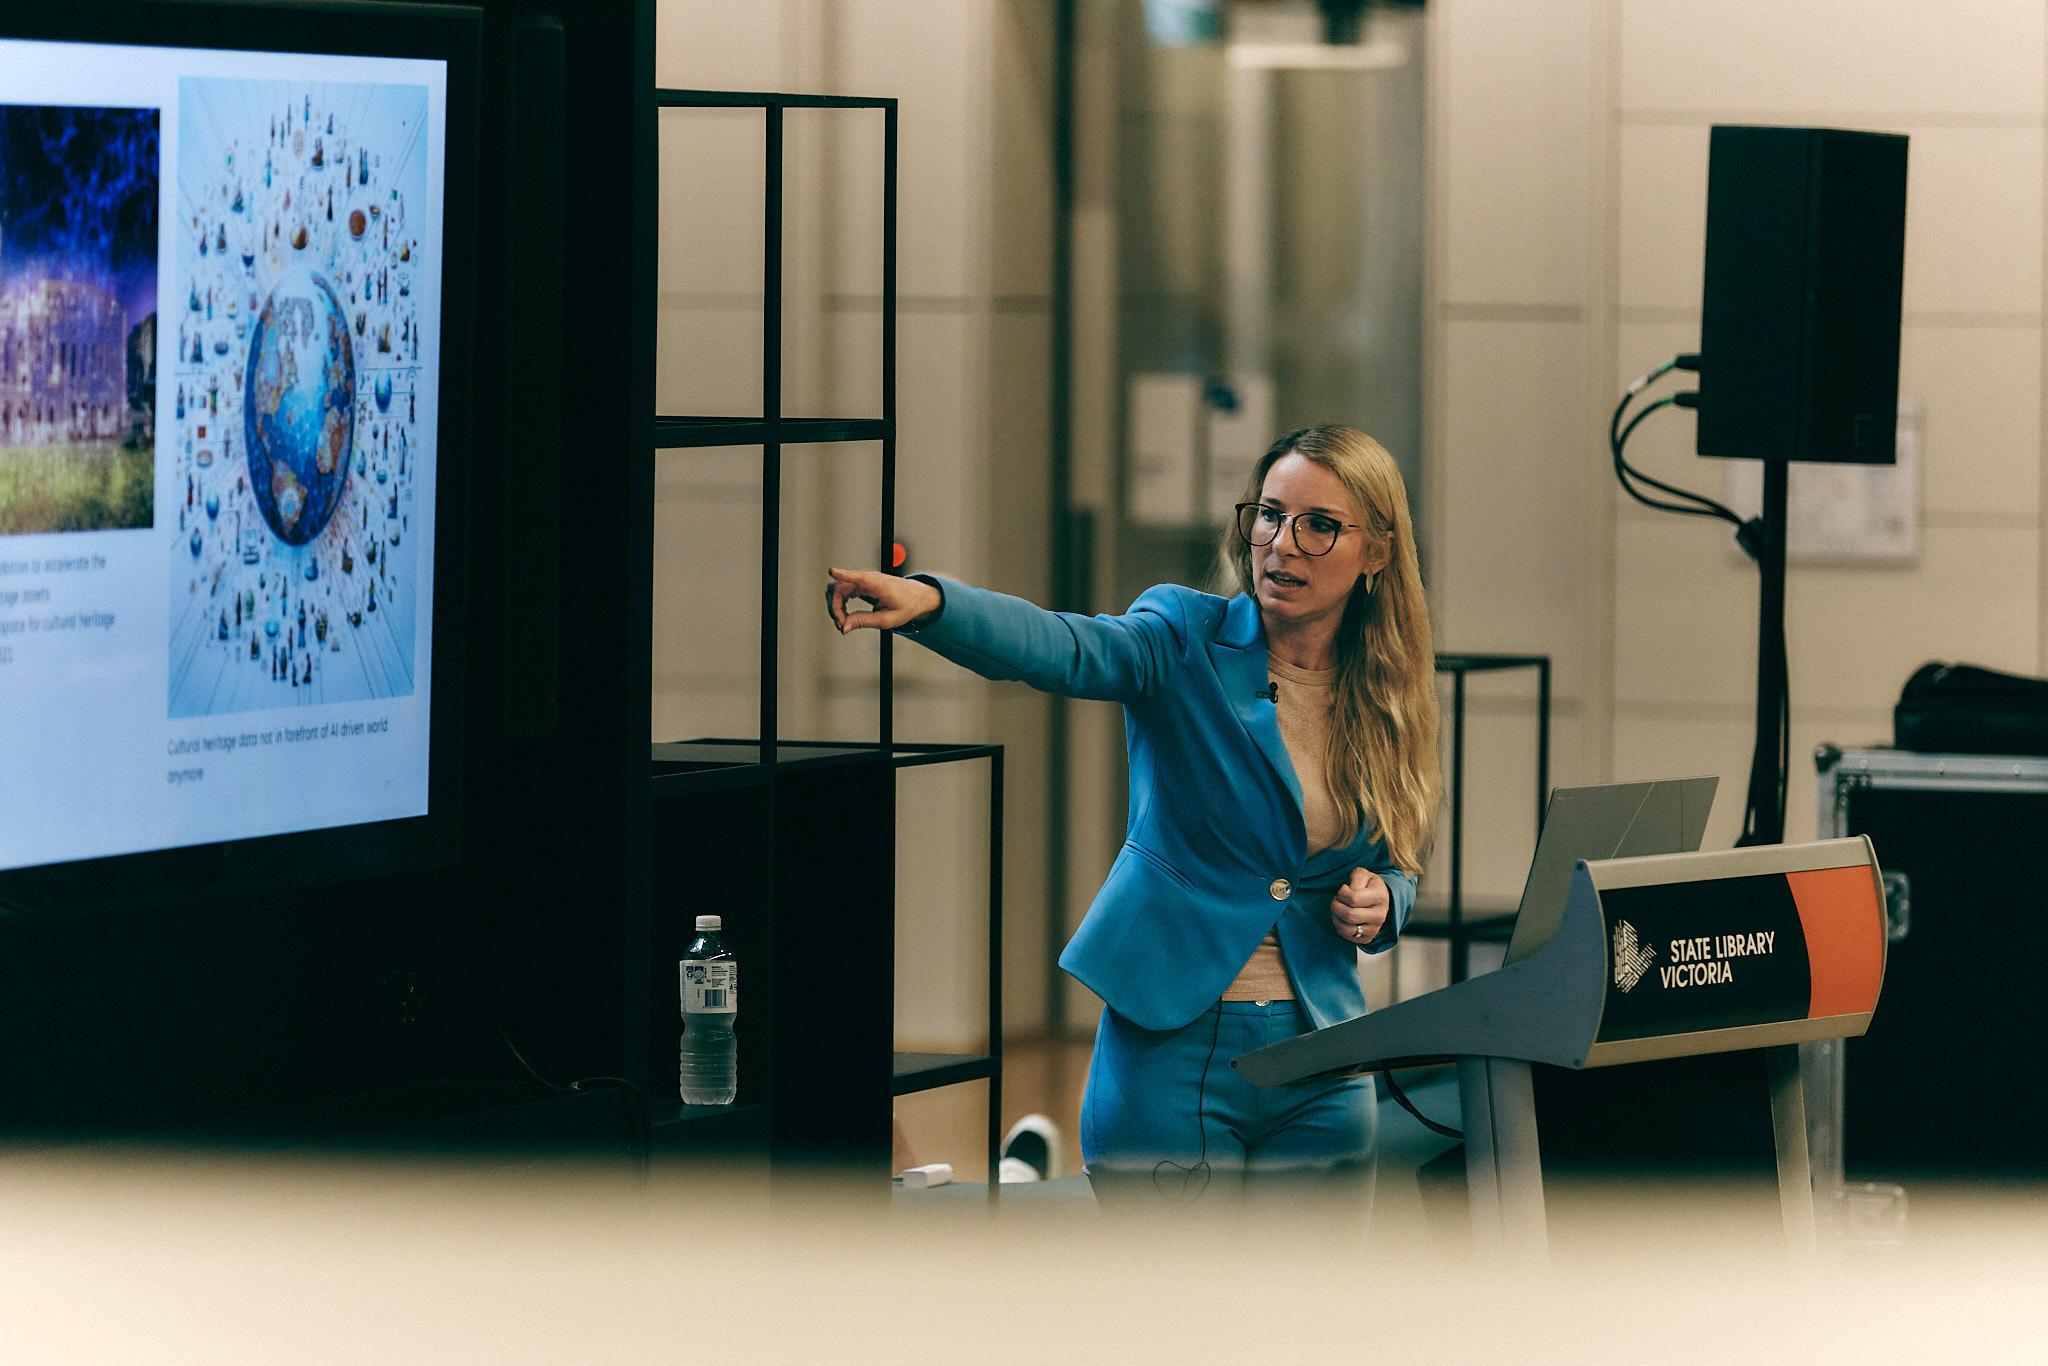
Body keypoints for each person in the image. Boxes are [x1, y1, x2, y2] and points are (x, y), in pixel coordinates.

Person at [826, 425, 1441, 1212]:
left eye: (1318, 525)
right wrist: (935, 606)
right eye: (1269, 515)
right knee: (1167, 1290)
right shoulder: (1183, 638)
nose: (1282, 544)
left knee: (1311, 1294)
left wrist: (1387, 901)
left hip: (1320, 1060)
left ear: (1378, 552)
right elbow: (1062, 645)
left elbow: (1395, 860)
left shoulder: (1386, 693)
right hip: (1172, 1046)